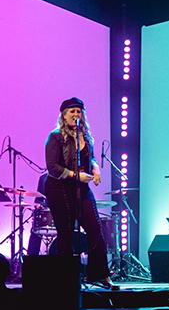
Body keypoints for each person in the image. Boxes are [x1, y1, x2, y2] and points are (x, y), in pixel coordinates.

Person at [44, 97, 116, 290]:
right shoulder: (56, 136)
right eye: (72, 111)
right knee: (66, 233)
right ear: (64, 115)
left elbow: (90, 157)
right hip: (59, 188)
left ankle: (100, 274)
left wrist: (96, 169)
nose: (76, 115)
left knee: (95, 229)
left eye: (79, 111)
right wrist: (76, 175)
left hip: (81, 189)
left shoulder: (85, 136)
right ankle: (66, 278)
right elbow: (52, 167)